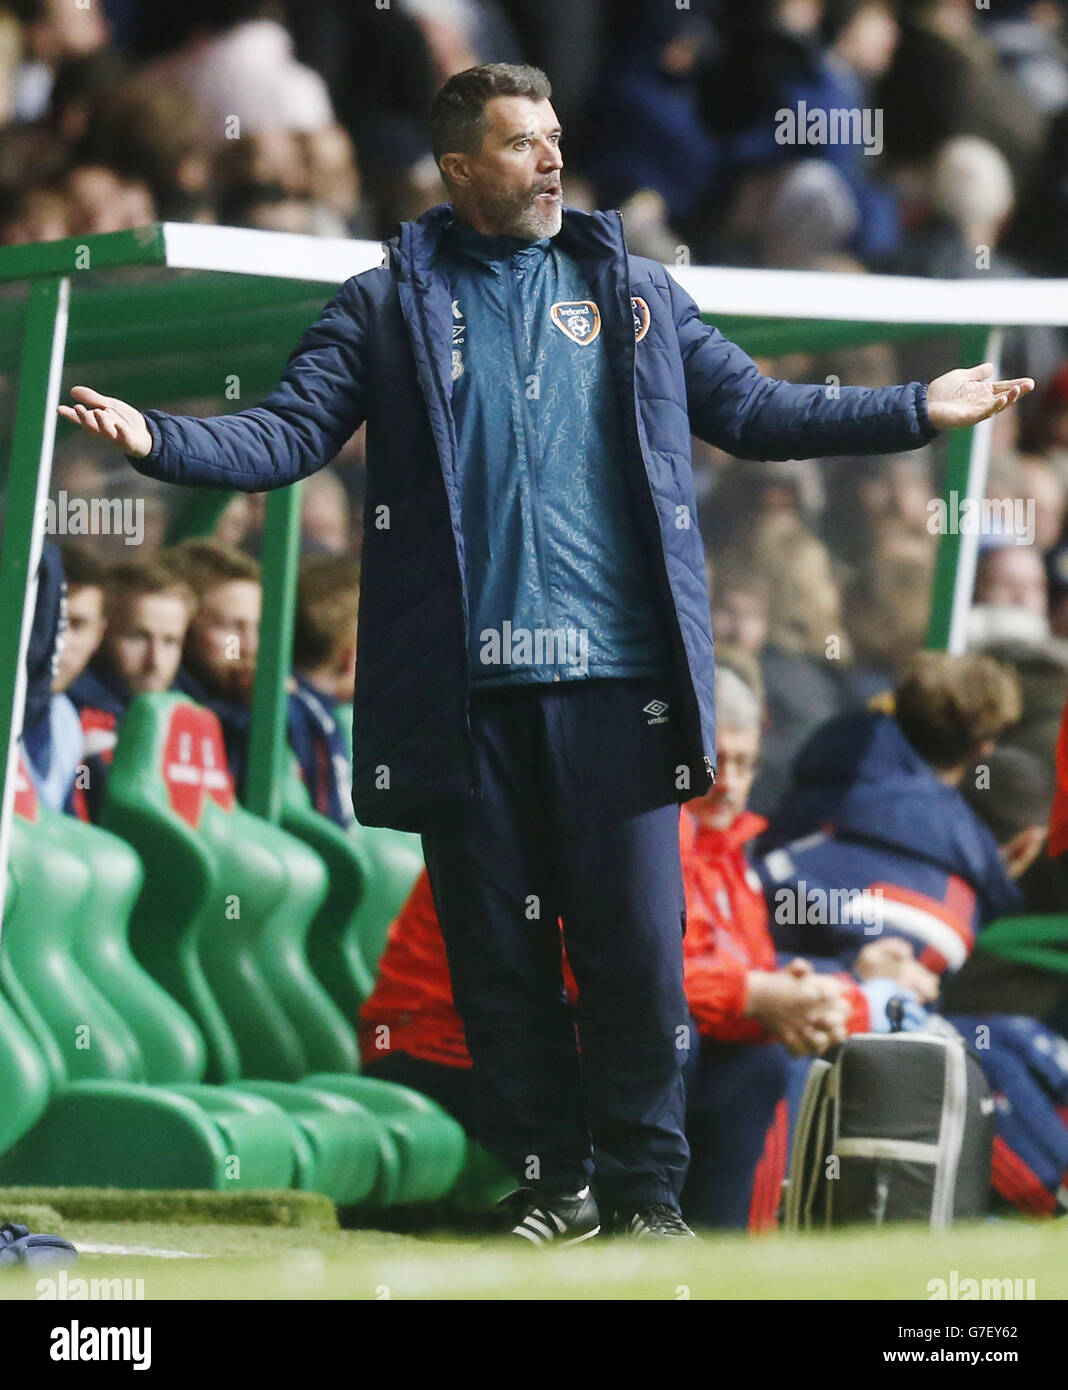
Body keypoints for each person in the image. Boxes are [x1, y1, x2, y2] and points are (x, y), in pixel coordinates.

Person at [56, 63, 1033, 1245]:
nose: (552, 158)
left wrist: (910, 410)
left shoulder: (635, 294)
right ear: (460, 168)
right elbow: (288, 431)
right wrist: (158, 436)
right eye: (522, 143)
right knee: (500, 967)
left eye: (556, 135)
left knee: (636, 958)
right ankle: (551, 1184)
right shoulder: (382, 304)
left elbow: (756, 410)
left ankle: (647, 1200)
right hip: (466, 700)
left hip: (619, 689)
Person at [67, 558, 196, 819]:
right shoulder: (78, 712)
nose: (155, 661)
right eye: (137, 637)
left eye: (171, 642)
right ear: (102, 635)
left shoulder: (189, 709)